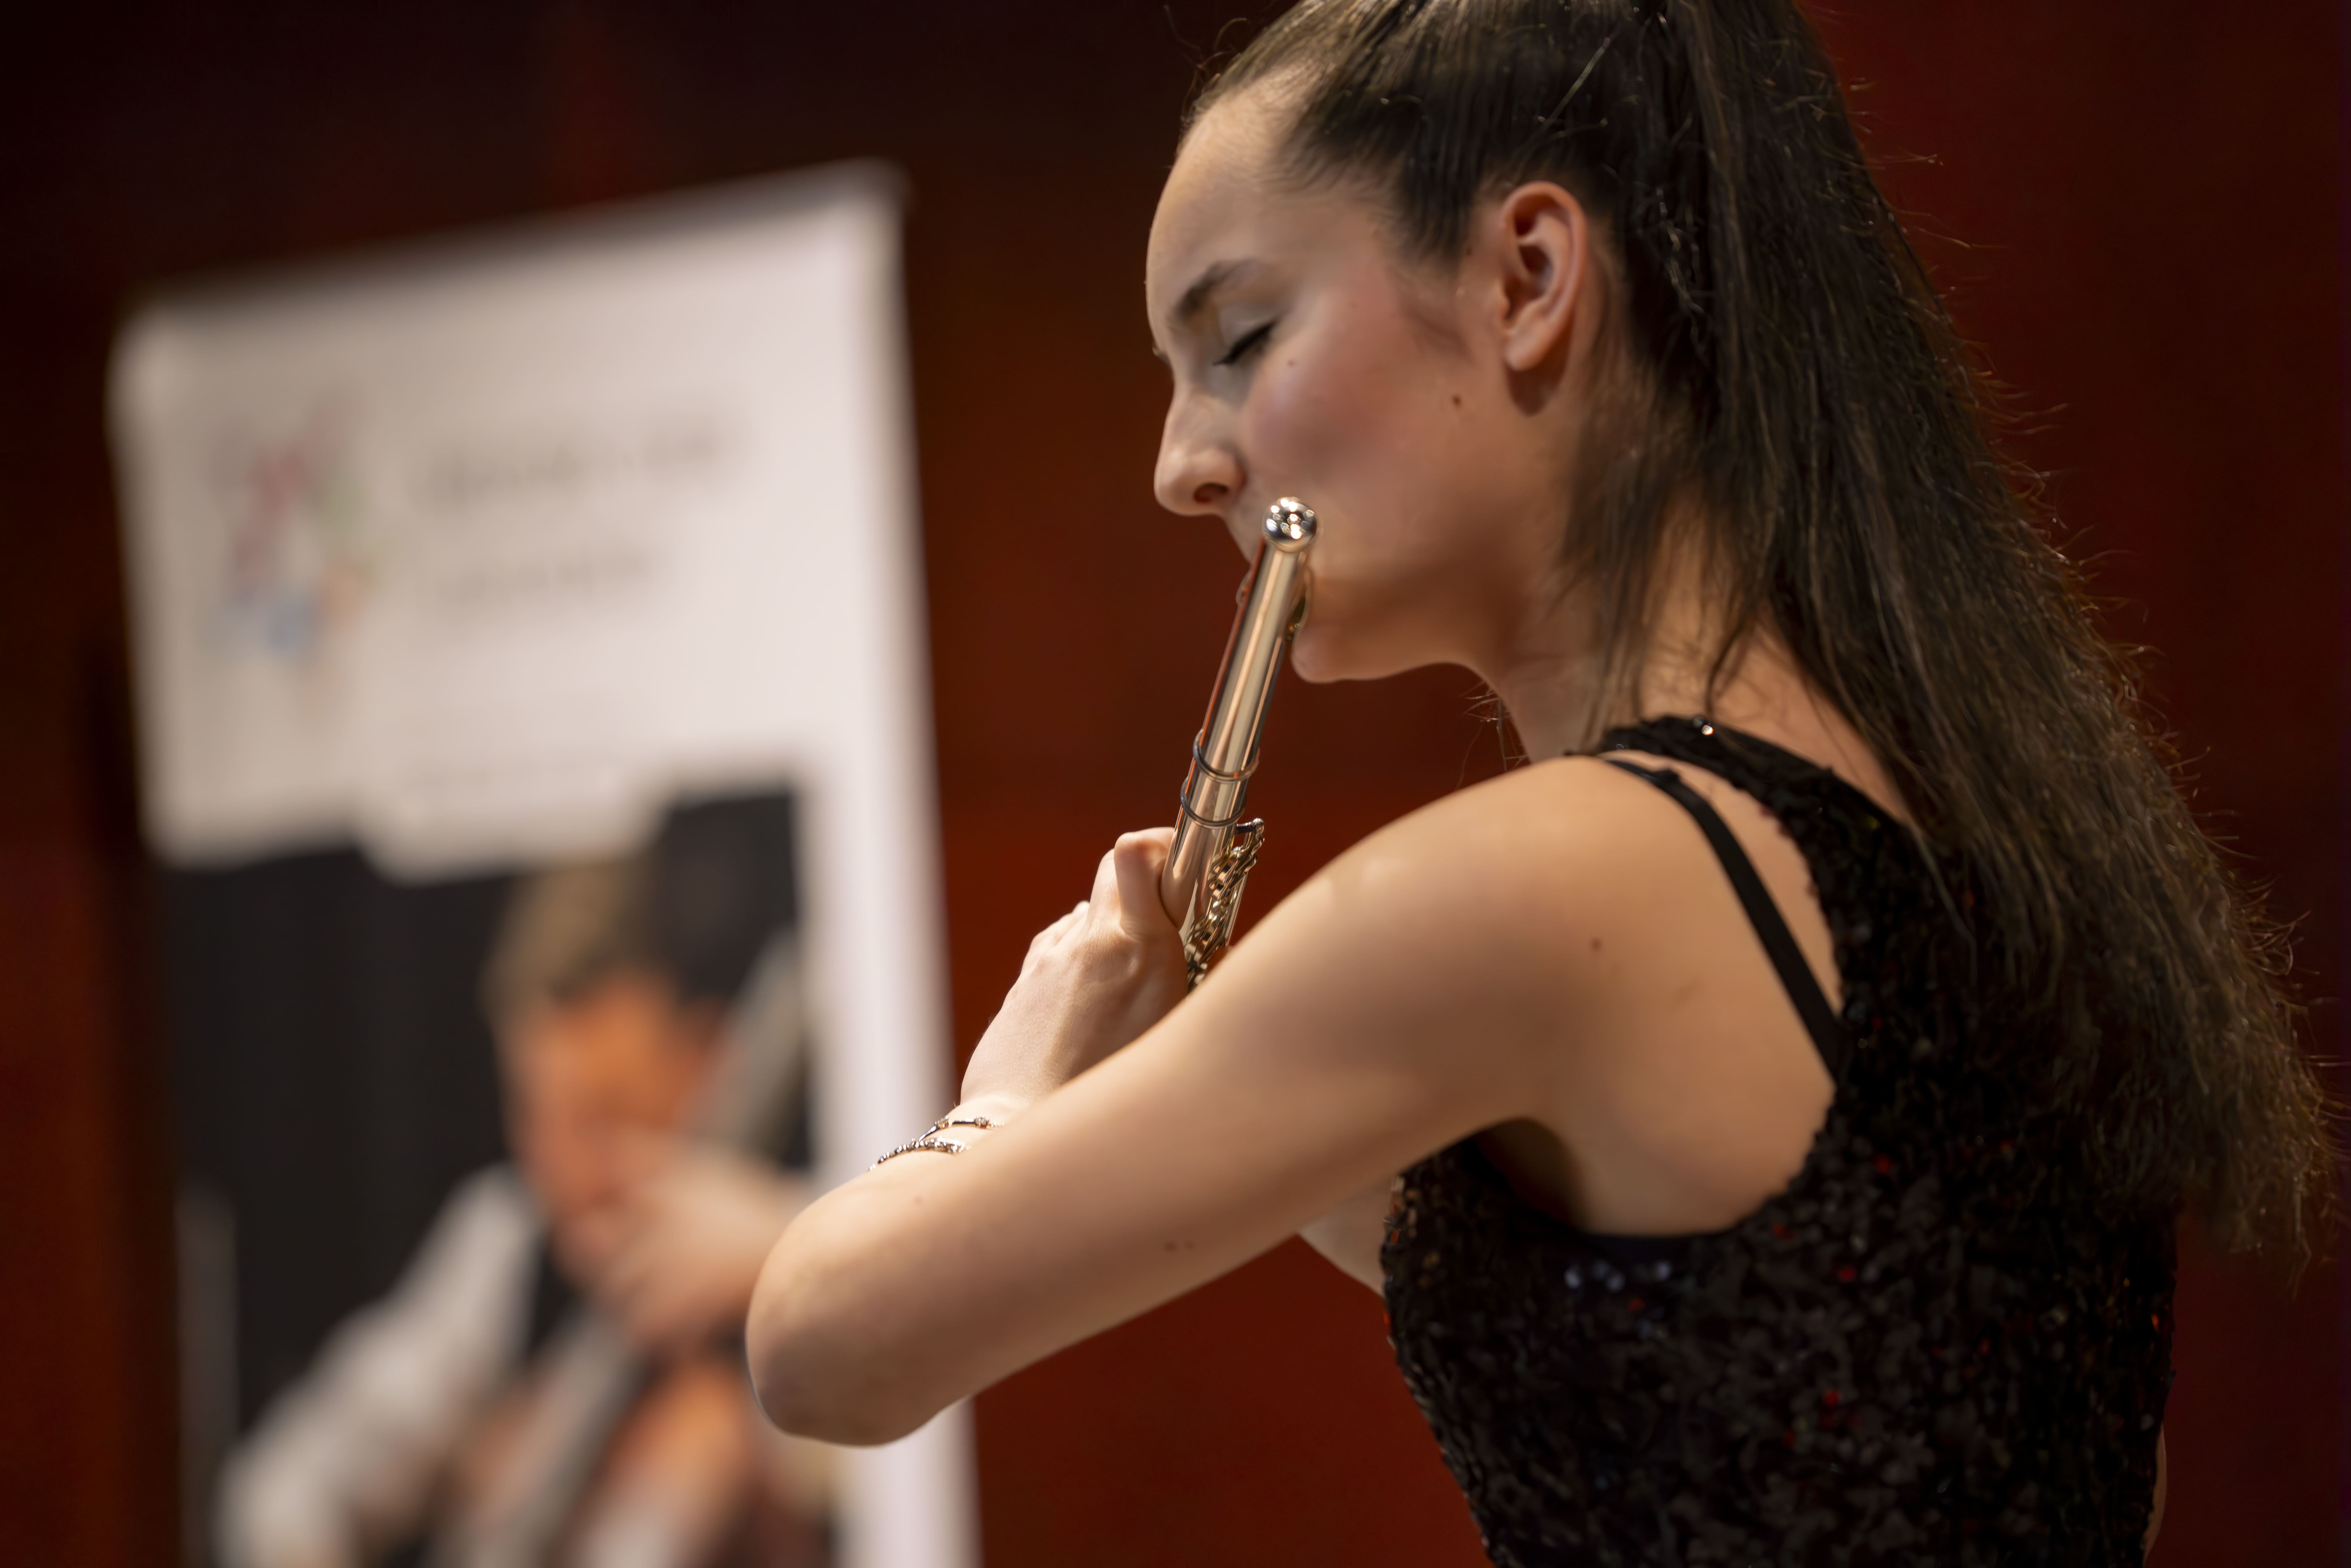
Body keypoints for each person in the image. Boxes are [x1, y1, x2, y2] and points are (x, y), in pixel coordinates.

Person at [746, 1, 2333, 1562]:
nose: (1186, 464)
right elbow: (1750, 1383)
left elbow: (823, 1344)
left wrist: (1004, 1106)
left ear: (1528, 277)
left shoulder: (1539, 885)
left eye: (1237, 342)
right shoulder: (1981, 859)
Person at [220, 820, 826, 1568]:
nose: (560, 1171)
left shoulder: (812, 1231)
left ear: (704, 1061)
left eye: (603, 1118)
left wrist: (768, 1468)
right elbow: (285, 1490)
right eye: (532, 1113)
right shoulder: (506, 1239)